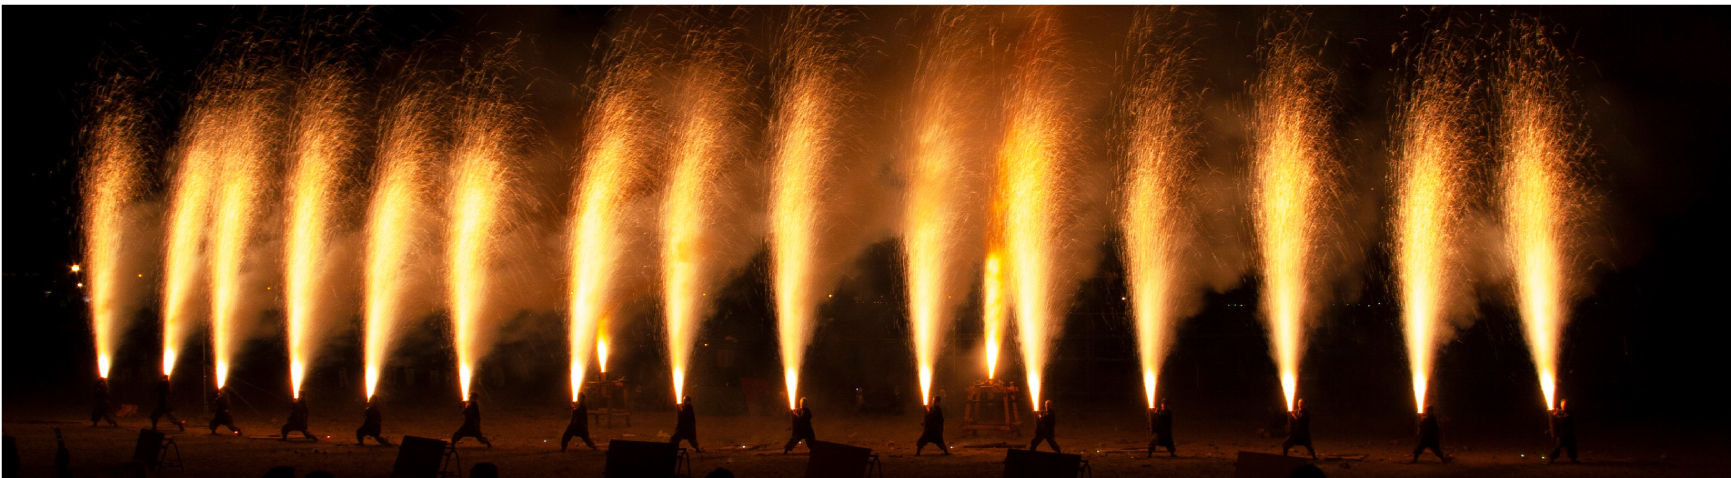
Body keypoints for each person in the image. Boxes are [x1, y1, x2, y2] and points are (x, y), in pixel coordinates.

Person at [1548, 399, 1578, 464]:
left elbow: (1565, 419)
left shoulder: (1569, 413)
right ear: (1561, 405)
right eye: (1564, 404)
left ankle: (1573, 459)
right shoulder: (1559, 412)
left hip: (1569, 433)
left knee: (1572, 446)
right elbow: (1555, 421)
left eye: (1566, 404)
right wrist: (1554, 415)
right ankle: (1551, 458)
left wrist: (1556, 416)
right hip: (1562, 434)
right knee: (1558, 446)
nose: (1565, 405)